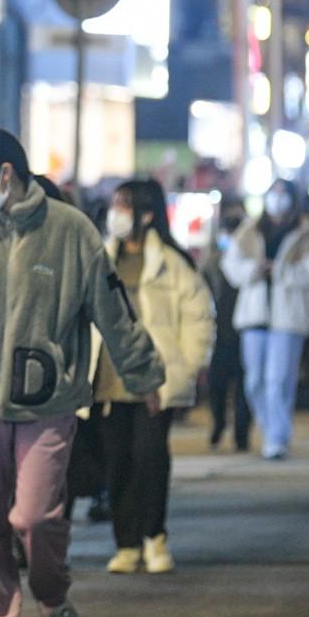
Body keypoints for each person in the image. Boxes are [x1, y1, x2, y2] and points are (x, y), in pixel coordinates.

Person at [0, 130, 163, 617]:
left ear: (6, 173)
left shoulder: (71, 232)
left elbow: (113, 311)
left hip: (49, 398)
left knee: (34, 515)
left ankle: (52, 593)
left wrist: (143, 374)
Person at [95, 180, 214, 575]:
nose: (116, 212)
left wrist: (188, 367)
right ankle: (125, 542)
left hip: (154, 380)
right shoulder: (101, 259)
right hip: (109, 380)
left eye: (124, 205)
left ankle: (154, 536)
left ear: (147, 214)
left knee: (150, 458)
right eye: (115, 204)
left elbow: (198, 317)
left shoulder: (172, 263)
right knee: (118, 462)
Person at [222, 179, 309, 461]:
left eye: (283, 195)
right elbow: (231, 267)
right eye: (274, 194)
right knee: (254, 380)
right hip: (254, 315)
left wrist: (279, 271)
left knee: (278, 379)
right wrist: (254, 270)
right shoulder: (249, 230)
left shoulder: (308, 234)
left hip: (287, 318)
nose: (277, 200)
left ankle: (278, 438)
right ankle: (271, 429)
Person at [201, 198, 252, 451]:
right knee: (217, 386)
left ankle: (242, 434)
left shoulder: (249, 256)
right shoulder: (211, 261)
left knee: (245, 387)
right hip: (219, 331)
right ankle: (219, 425)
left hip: (244, 330)